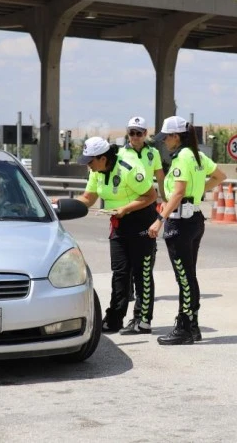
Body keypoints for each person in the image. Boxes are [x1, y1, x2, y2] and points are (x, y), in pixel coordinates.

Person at [148, 116, 226, 345]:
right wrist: (200, 190)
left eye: (165, 138)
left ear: (175, 136)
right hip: (194, 220)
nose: (164, 142)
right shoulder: (197, 155)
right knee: (189, 276)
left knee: (184, 278)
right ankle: (192, 326)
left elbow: (178, 193)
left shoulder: (182, 158)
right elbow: (221, 176)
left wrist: (159, 219)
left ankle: (185, 328)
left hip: (179, 223)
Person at [76, 136, 158, 334]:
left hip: (141, 221)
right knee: (120, 272)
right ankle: (114, 318)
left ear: (103, 158)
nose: (88, 165)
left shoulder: (128, 168)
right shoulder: (96, 172)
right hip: (118, 223)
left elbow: (151, 196)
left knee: (141, 273)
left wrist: (125, 209)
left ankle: (142, 320)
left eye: (90, 161)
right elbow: (88, 198)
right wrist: (60, 205)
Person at [121, 116, 166, 305]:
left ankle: (141, 285)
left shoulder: (153, 153)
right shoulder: (121, 154)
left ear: (145, 134)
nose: (135, 137)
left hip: (148, 204)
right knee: (127, 251)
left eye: (139, 133)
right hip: (128, 206)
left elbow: (160, 176)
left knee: (148, 248)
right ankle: (129, 288)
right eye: (132, 133)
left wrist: (164, 197)